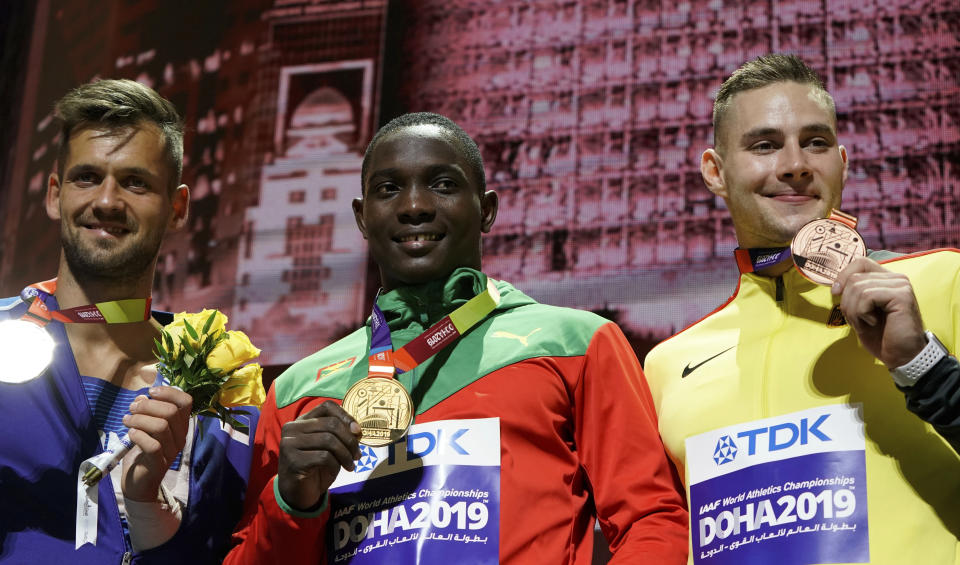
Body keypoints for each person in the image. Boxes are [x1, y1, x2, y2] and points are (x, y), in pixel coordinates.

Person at [225, 112, 688, 564]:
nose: (414, 206)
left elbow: (652, 520)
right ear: (363, 218)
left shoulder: (575, 343)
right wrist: (292, 501)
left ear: (486, 210)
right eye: (389, 189)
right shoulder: (295, 392)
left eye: (442, 184)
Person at [644, 54, 960, 565]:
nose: (795, 164)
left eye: (814, 142)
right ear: (715, 172)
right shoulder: (665, 368)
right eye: (765, 145)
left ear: (842, 162)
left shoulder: (942, 283)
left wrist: (922, 366)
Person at [0, 79, 257, 563]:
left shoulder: (217, 388)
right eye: (86, 177)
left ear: (177, 208)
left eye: (135, 182)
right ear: (55, 194)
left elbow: (221, 550)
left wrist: (146, 506)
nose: (107, 201)